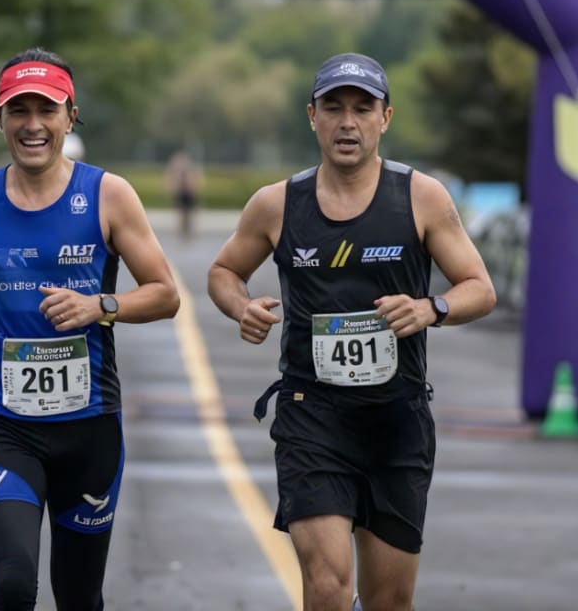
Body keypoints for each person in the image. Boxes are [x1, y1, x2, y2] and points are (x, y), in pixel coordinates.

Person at [207, 53, 496, 611]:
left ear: (385, 118)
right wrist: (241, 307)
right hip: (312, 416)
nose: (347, 122)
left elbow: (479, 288)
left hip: (396, 419)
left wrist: (431, 308)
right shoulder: (276, 204)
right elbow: (223, 271)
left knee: (389, 601)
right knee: (328, 589)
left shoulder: (421, 196)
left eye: (362, 109)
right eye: (333, 108)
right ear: (311, 116)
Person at [0, 47, 180, 611]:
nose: (32, 124)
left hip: (89, 430)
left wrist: (99, 306)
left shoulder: (108, 195)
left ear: (70, 117)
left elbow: (165, 294)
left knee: (78, 597)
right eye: (19, 110)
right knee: (14, 584)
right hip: (5, 426)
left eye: (47, 110)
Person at [165, 148, 202, 238]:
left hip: (188, 193)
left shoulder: (188, 167)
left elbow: (195, 180)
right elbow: (172, 179)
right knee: (182, 213)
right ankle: (183, 230)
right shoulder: (179, 167)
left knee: (188, 213)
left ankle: (187, 230)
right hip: (182, 193)